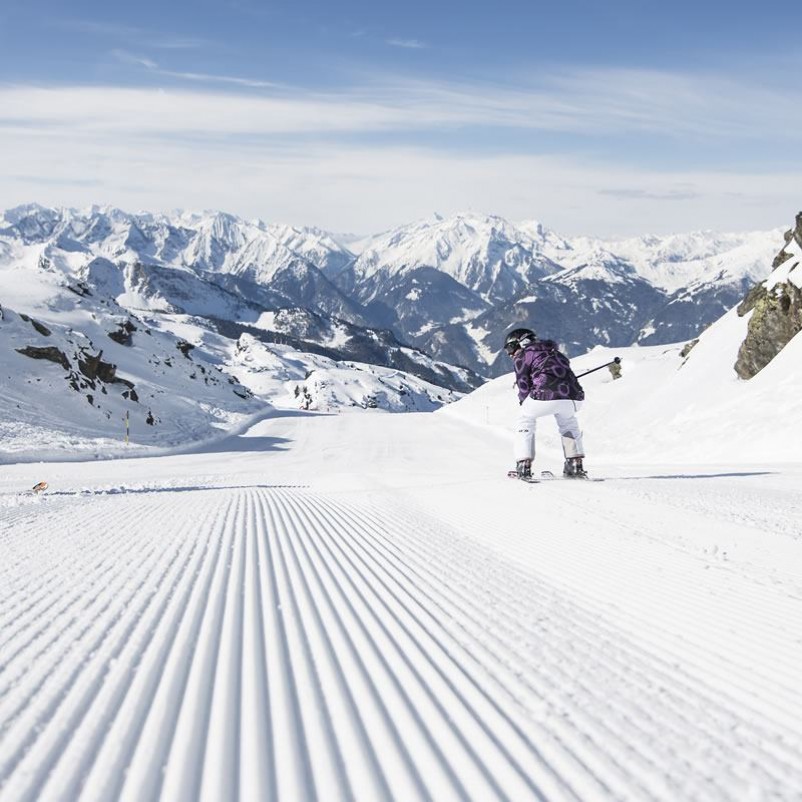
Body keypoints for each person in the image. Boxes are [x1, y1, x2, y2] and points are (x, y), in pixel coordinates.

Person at [503, 327, 588, 479]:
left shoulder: (523, 356)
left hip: (545, 395)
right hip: (574, 397)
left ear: (522, 343)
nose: (510, 354)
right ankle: (574, 464)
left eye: (510, 347)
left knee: (525, 418)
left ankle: (523, 464)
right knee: (568, 422)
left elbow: (523, 385)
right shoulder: (558, 354)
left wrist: (524, 402)